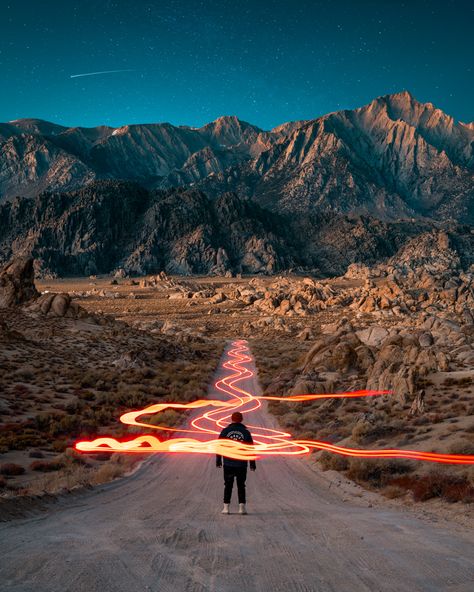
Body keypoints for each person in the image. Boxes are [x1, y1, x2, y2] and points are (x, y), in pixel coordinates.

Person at [216, 411, 256, 515]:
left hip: (228, 463)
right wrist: (252, 464)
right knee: (241, 485)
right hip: (241, 464)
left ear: (231, 419)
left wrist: (218, 460)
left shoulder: (225, 431)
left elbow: (219, 446)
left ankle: (226, 508)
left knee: (228, 485)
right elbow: (251, 449)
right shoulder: (246, 432)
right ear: (241, 419)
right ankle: (241, 508)